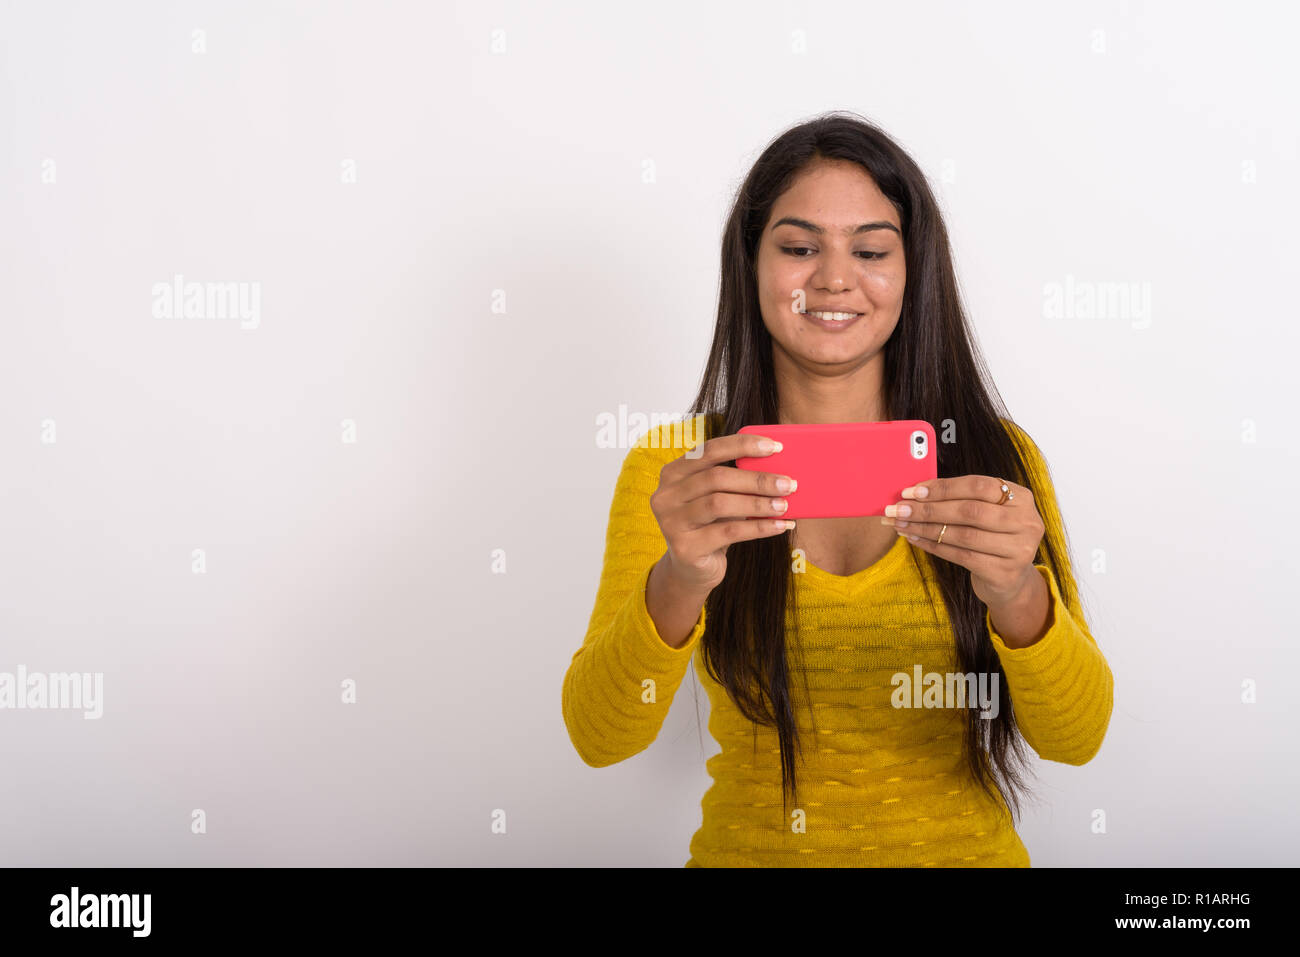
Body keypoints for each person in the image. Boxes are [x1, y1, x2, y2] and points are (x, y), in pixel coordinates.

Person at [562, 112, 1113, 867]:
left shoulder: (994, 459)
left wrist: (1018, 593)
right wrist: (680, 578)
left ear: (913, 270)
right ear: (750, 264)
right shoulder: (681, 469)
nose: (833, 277)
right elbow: (600, 737)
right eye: (797, 247)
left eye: (871, 249)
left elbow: (1075, 739)